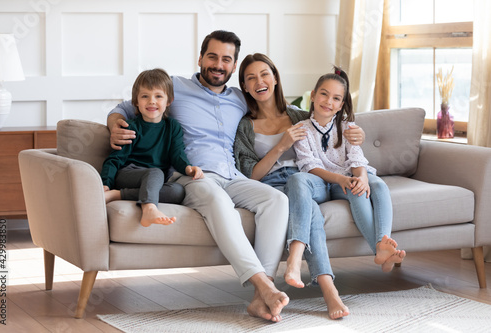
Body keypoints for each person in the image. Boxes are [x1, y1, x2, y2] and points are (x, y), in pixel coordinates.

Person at [106, 31, 290, 322]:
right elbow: (126, 107)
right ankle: (264, 286)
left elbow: (280, 110)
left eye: (226, 60)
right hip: (192, 176)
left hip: (233, 176)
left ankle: (261, 295)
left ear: (233, 65)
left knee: (277, 200)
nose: (218, 64)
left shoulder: (241, 98)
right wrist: (115, 124)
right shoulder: (175, 87)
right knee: (217, 201)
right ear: (201, 58)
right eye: (213, 56)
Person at [234, 53, 365, 319]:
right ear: (245, 87)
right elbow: (252, 175)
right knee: (312, 212)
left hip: (310, 181)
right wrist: (281, 146)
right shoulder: (245, 126)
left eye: (264, 74)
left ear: (275, 78)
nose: (259, 81)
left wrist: (359, 134)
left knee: (299, 183)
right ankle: (329, 291)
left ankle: (295, 271)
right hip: (274, 185)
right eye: (251, 78)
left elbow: (335, 127)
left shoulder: (299, 115)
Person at [293, 66, 406, 275]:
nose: (328, 102)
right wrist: (343, 180)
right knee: (354, 190)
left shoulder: (348, 128)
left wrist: (362, 177)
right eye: (324, 94)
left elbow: (356, 158)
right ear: (313, 96)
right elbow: (309, 166)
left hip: (351, 174)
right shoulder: (302, 130)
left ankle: (382, 245)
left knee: (378, 185)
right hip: (330, 181)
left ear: (341, 105)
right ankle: (379, 250)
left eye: (336, 98)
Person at [101, 68, 204, 227]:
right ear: (135, 101)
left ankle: (119, 195)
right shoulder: (132, 128)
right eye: (144, 96)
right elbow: (115, 159)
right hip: (128, 174)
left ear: (169, 100)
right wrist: (106, 183)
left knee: (177, 191)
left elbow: (177, 155)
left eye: (158, 96)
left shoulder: (173, 127)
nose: (152, 101)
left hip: (154, 180)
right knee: (156, 172)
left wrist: (188, 168)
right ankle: (149, 208)